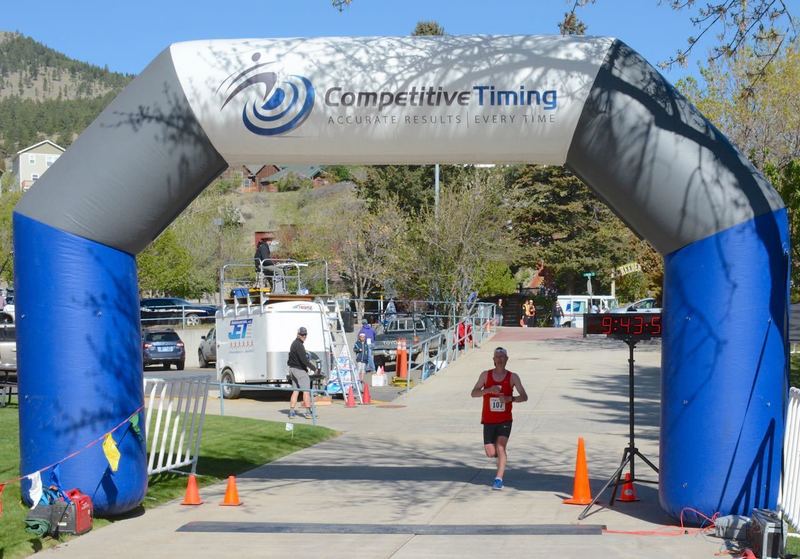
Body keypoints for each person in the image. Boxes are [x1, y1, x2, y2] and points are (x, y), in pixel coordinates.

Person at [470, 347, 528, 490]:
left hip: (505, 420)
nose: (500, 359)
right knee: (491, 452)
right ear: (493, 360)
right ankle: (501, 460)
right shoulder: (485, 375)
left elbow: (524, 396)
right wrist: (488, 390)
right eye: (497, 357)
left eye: (503, 357)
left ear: (507, 359)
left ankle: (498, 479)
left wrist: (510, 399)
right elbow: (473, 393)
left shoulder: (513, 377)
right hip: (488, 420)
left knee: (501, 448)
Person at [287, 326, 318, 419]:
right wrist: (314, 369)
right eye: (302, 334)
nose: (304, 336)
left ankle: (292, 412)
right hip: (299, 370)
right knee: (306, 391)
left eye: (305, 334)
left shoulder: (294, 343)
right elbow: (304, 360)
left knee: (296, 391)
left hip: (292, 369)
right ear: (298, 334)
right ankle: (308, 412)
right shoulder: (299, 345)